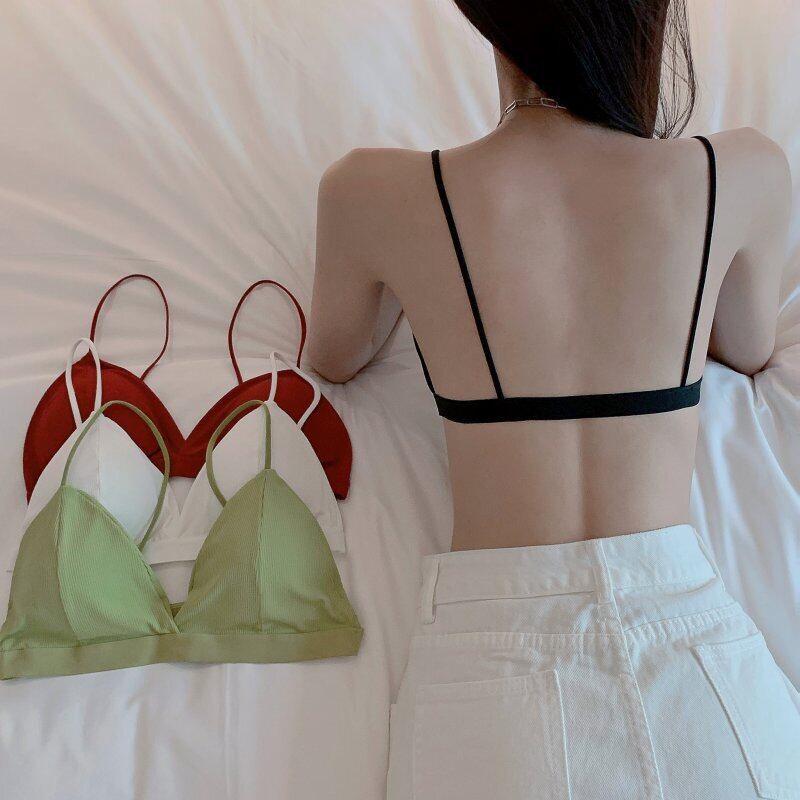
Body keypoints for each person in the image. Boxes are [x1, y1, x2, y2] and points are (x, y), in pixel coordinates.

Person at [308, 1, 799, 797]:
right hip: (699, 659)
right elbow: (747, 346)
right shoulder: (737, 172)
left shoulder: (371, 190)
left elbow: (335, 356)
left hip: (496, 663)